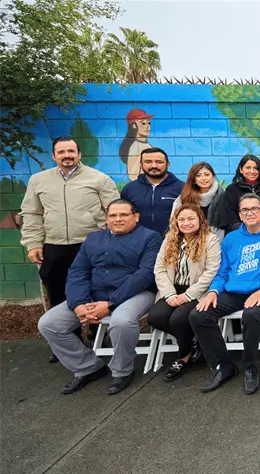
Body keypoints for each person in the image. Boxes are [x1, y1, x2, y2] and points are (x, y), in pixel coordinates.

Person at [37, 199, 161, 395]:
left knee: (121, 322)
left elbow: (145, 274)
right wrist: (78, 304)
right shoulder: (93, 239)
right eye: (113, 215)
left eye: (124, 215)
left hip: (137, 293)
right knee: (49, 324)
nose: (118, 219)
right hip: (94, 294)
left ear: (136, 217)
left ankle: (122, 371)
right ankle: (87, 367)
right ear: (107, 218)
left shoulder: (150, 238)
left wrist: (110, 304)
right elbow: (78, 272)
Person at [20, 137, 120, 361]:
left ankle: (98, 334)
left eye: (71, 151)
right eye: (62, 152)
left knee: (94, 290)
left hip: (90, 243)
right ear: (54, 156)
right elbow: (32, 214)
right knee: (57, 292)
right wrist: (33, 243)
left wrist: (110, 241)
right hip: (54, 245)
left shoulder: (98, 179)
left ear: (79, 154)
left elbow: (114, 211)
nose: (67, 155)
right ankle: (69, 339)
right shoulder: (38, 181)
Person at [189, 194, 260, 395]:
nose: (250, 213)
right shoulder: (231, 238)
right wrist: (213, 291)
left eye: (254, 209)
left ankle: (249, 366)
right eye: (245, 210)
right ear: (240, 214)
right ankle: (224, 367)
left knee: (251, 315)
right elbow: (223, 272)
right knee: (198, 315)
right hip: (233, 290)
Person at [147, 205, 221, 382]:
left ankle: (183, 357)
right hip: (172, 290)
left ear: (200, 220)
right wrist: (169, 294)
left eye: (191, 219)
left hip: (197, 290)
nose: (186, 223)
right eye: (182, 220)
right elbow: (159, 269)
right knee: (155, 317)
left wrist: (188, 295)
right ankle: (194, 344)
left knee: (178, 319)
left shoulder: (210, 239)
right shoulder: (170, 239)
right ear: (176, 222)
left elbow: (211, 271)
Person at [120, 147, 184, 234]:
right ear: (141, 164)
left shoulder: (182, 188)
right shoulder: (130, 189)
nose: (154, 166)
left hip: (172, 241)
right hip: (139, 242)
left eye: (159, 162)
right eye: (148, 162)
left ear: (168, 164)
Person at [214, 155, 260, 234]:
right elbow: (228, 218)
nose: (252, 171)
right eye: (248, 168)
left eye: (256, 168)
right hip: (240, 234)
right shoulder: (232, 190)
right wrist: (248, 231)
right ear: (241, 169)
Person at [170, 162, 225, 236]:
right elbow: (174, 222)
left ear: (213, 176)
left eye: (207, 175)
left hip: (218, 238)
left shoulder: (223, 196)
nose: (203, 178)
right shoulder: (185, 196)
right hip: (190, 239)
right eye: (198, 176)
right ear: (194, 180)